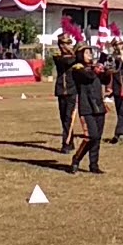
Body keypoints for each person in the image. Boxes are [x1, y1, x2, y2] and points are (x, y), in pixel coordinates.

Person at [68, 46, 107, 174]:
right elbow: (88, 77)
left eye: (90, 52)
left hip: (99, 106)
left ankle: (94, 165)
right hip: (87, 107)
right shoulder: (77, 68)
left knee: (98, 138)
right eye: (86, 52)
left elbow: (105, 80)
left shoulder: (93, 67)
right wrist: (98, 67)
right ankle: (77, 158)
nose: (90, 54)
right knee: (91, 136)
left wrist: (106, 70)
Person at [52, 20, 82, 153]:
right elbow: (67, 61)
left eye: (69, 43)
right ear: (60, 45)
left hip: (72, 90)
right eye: (65, 43)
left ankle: (66, 143)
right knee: (63, 118)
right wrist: (75, 51)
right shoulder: (58, 56)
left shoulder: (75, 57)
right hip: (61, 90)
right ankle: (70, 142)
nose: (68, 46)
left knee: (69, 117)